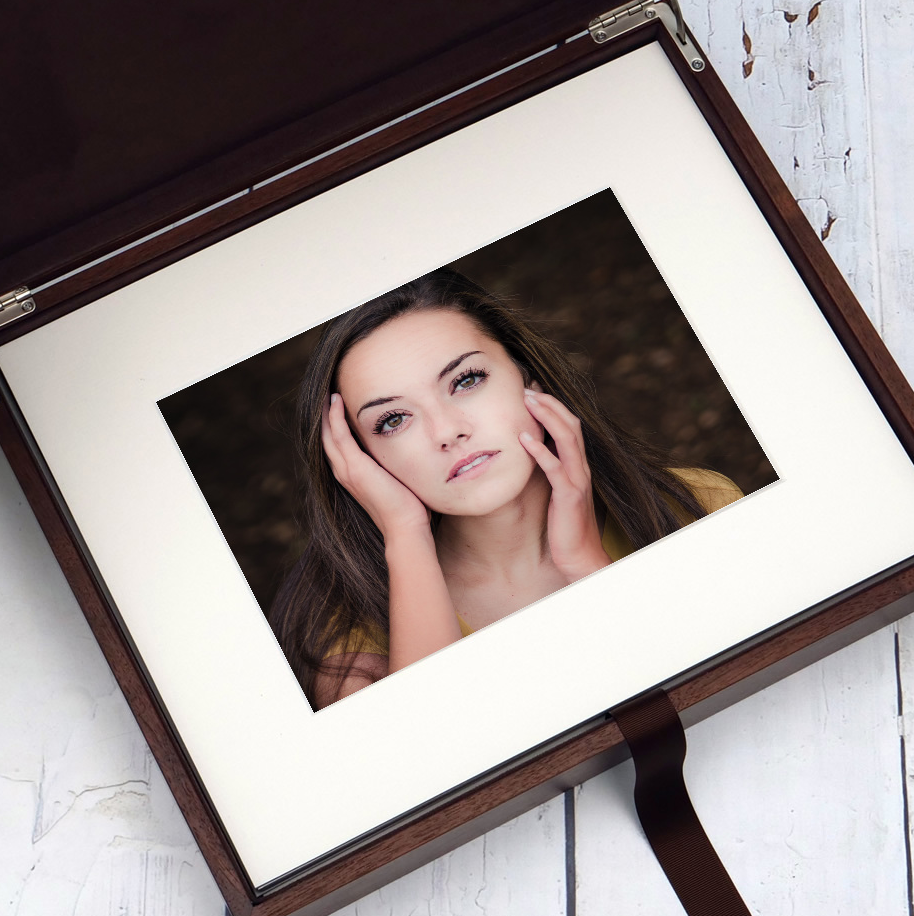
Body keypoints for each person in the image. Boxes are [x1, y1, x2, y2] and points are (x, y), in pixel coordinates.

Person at [269, 269, 743, 708]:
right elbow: (439, 772)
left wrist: (585, 563)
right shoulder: (349, 640)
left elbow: (734, 690)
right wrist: (404, 534)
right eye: (392, 420)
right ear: (360, 460)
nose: (447, 431)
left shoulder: (697, 507)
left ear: (527, 377)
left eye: (466, 380)